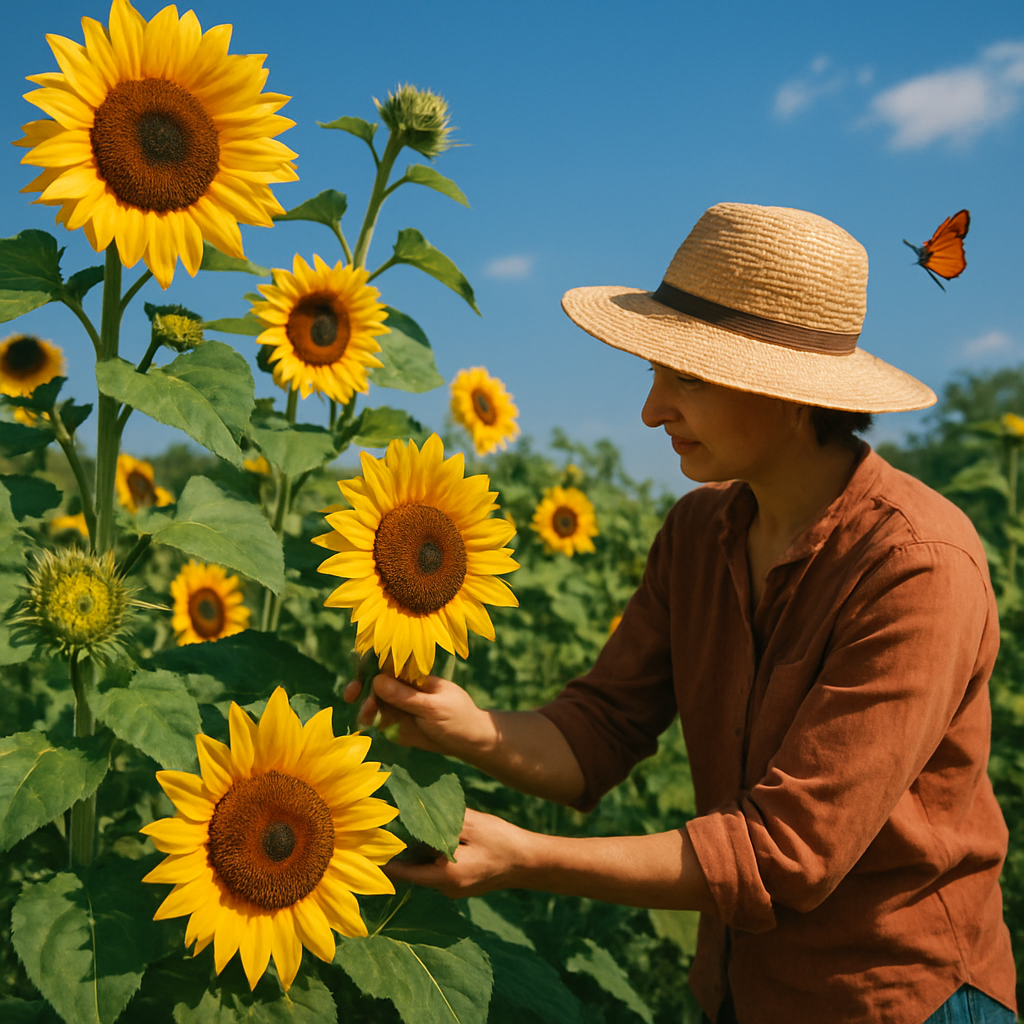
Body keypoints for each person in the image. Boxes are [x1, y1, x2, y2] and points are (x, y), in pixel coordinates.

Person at [345, 203, 1017, 1023]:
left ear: (791, 392)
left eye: (688, 377)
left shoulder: (916, 566)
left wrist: (523, 858)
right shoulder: (701, 533)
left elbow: (784, 854)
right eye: (657, 373)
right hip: (739, 990)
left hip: (896, 998)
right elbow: (598, 734)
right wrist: (459, 725)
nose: (651, 409)